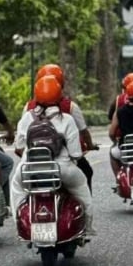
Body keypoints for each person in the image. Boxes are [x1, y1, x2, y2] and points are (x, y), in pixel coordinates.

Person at [12, 75, 95, 237]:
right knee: (81, 187)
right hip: (62, 170)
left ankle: (19, 223)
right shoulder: (67, 120)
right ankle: (88, 226)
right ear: (59, 96)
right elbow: (76, 154)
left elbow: (19, 146)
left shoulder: (27, 117)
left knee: (16, 187)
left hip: (29, 171)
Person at [30, 64, 96, 188]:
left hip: (34, 164)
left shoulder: (28, 111)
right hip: (64, 165)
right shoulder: (70, 108)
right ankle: (85, 207)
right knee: (87, 172)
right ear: (60, 86)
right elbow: (82, 134)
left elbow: (19, 148)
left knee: (18, 186)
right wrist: (89, 145)